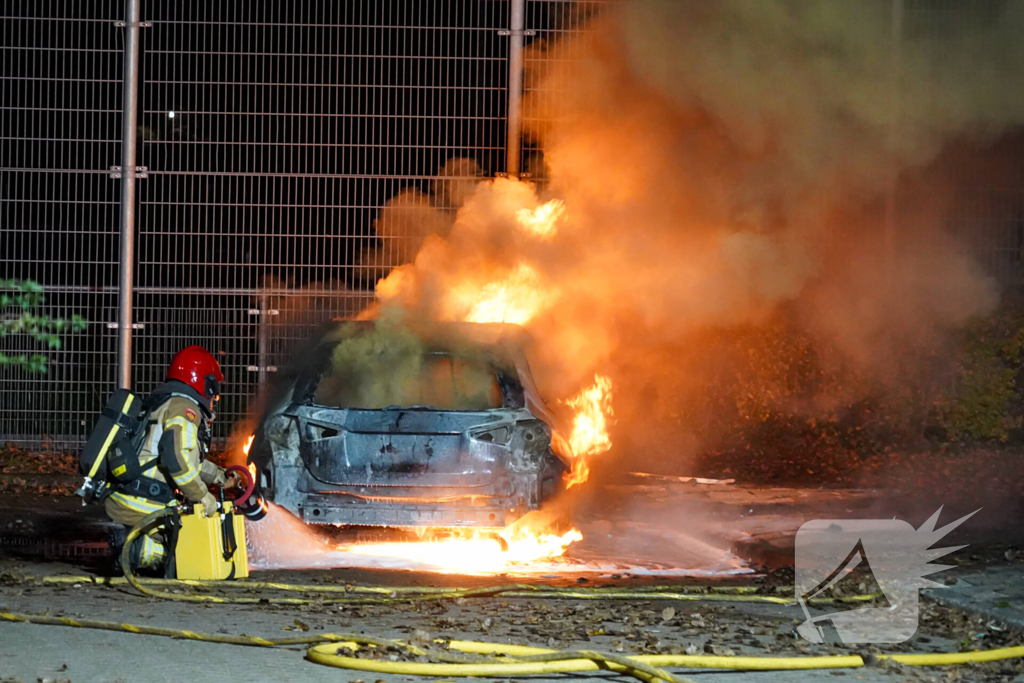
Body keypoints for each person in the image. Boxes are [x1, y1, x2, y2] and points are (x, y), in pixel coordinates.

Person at [105, 345, 229, 571]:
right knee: (188, 555)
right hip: (145, 504)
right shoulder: (185, 409)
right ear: (203, 382)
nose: (215, 395)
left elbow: (183, 459)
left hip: (130, 494)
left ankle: (131, 541)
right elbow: (175, 459)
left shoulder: (165, 402)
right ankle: (134, 549)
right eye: (213, 387)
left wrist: (219, 476)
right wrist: (203, 497)